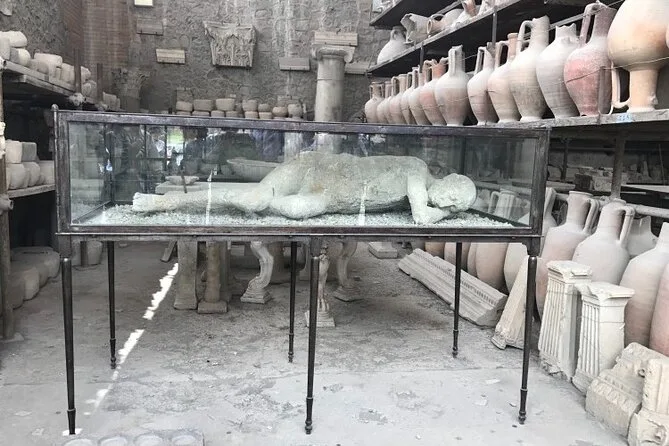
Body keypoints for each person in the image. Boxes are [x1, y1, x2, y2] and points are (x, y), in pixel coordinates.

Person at [132, 151, 477, 224]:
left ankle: (165, 201)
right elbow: (421, 217)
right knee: (254, 198)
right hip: (318, 167)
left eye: (452, 207)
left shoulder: (415, 188)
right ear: (448, 182)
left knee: (259, 203)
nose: (446, 206)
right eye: (450, 200)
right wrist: (445, 216)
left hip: (324, 197)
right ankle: (163, 202)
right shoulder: (417, 170)